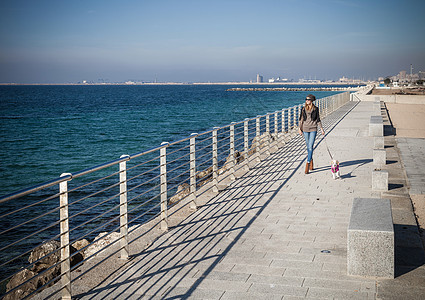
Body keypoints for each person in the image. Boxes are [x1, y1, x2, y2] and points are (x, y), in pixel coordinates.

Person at [298, 94, 325, 174]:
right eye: (306, 99)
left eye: (308, 99)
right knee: (308, 147)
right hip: (305, 129)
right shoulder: (303, 109)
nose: (306, 101)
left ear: (312, 101)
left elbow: (318, 119)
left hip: (313, 128)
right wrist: (300, 128)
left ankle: (308, 163)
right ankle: (312, 161)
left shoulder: (316, 109)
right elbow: (301, 119)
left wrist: (321, 129)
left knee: (310, 146)